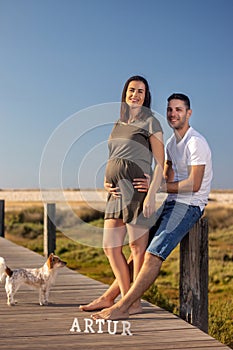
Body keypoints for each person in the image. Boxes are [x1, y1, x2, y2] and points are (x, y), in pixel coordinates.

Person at [81, 92, 212, 320]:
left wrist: (159, 188)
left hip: (190, 206)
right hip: (172, 203)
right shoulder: (172, 143)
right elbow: (166, 173)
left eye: (179, 110)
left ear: (188, 113)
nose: (173, 114)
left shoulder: (195, 142)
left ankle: (125, 306)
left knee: (153, 253)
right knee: (135, 251)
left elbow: (194, 184)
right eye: (170, 109)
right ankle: (110, 296)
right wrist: (154, 182)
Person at [85, 76, 164, 314]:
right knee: (110, 246)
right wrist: (105, 180)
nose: (135, 95)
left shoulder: (151, 121)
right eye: (132, 90)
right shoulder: (119, 122)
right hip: (116, 191)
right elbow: (114, 157)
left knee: (137, 248)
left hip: (137, 190)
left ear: (146, 96)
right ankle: (121, 298)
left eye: (140, 91)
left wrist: (151, 194)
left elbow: (161, 162)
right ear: (125, 93)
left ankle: (133, 302)